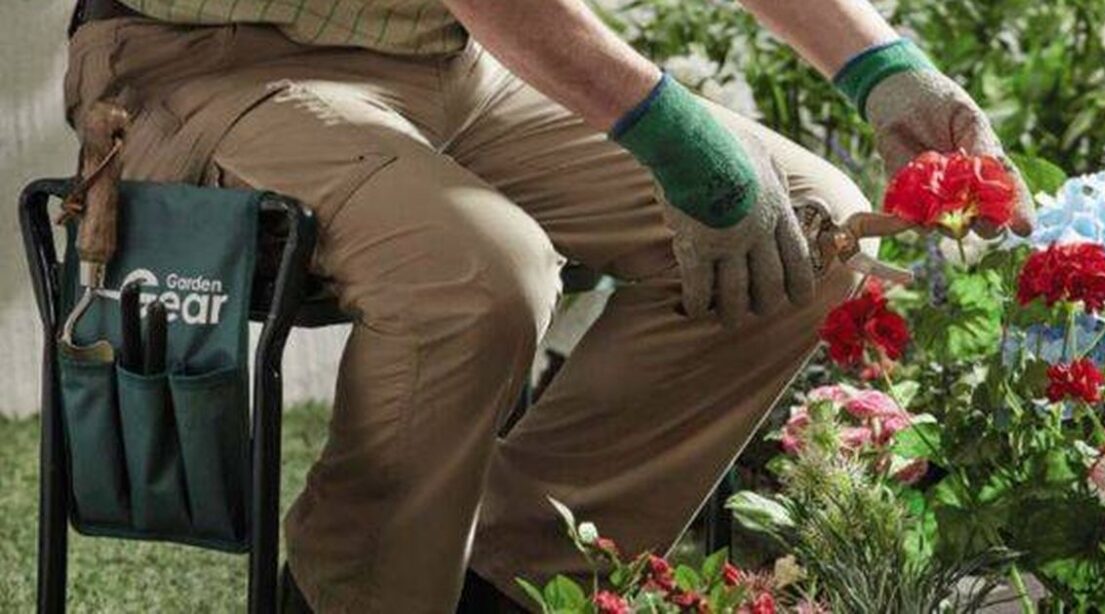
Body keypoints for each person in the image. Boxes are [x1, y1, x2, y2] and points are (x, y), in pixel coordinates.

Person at [64, 0, 1033, 611]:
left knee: (810, 229)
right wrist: (671, 133)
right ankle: (346, 592)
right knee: (478, 273)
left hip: (456, 57)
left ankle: (512, 581)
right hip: (209, 58)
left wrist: (882, 70)